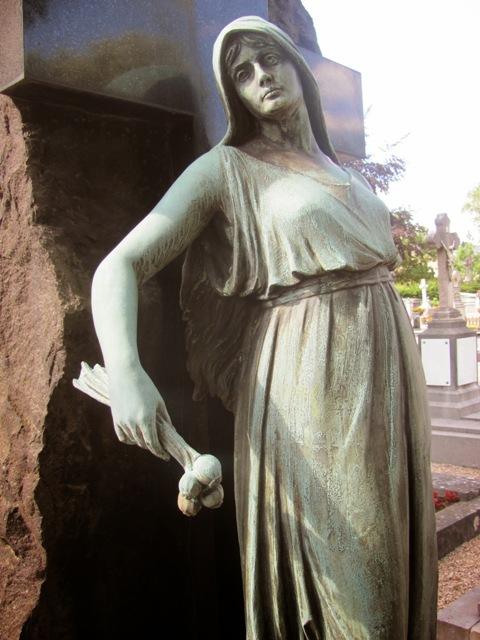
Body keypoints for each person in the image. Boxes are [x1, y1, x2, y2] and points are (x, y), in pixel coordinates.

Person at [91, 16, 437, 640]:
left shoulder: (348, 173)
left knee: (403, 560)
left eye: (268, 59)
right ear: (235, 95)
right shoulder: (227, 169)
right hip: (310, 379)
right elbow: (121, 265)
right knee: (366, 594)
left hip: (390, 372)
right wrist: (125, 371)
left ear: (295, 64)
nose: (261, 77)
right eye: (242, 73)